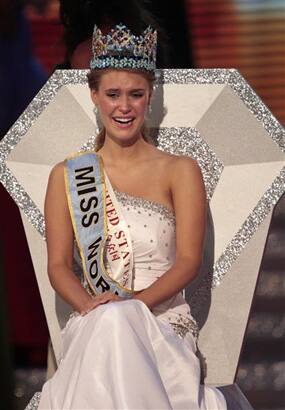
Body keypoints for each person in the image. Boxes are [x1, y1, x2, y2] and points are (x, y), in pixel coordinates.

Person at [26, 23, 227, 409]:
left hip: (162, 320)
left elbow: (188, 261)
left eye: (135, 95)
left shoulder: (180, 169)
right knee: (110, 325)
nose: (124, 106)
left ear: (150, 97)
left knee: (117, 324)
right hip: (95, 316)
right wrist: (91, 306)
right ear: (94, 96)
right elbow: (57, 266)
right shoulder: (67, 175)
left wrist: (133, 305)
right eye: (113, 94)